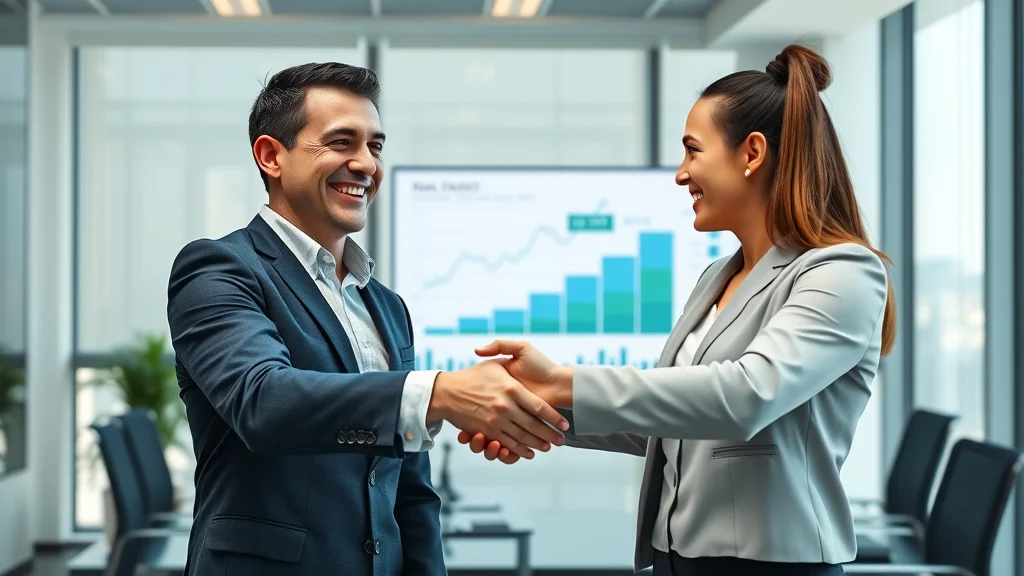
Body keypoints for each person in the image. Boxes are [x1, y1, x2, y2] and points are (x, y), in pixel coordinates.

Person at [459, 44, 895, 576]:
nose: (681, 174)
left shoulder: (841, 272)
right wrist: (529, 409)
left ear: (751, 154)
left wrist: (563, 381)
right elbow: (672, 421)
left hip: (770, 564)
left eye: (693, 150)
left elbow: (744, 396)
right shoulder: (718, 277)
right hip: (676, 558)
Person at [166, 62, 568, 576]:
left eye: (375, 147)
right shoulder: (219, 267)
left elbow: (411, 489)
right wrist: (440, 394)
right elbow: (262, 401)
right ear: (271, 156)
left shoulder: (386, 305)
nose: (365, 164)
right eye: (341, 143)